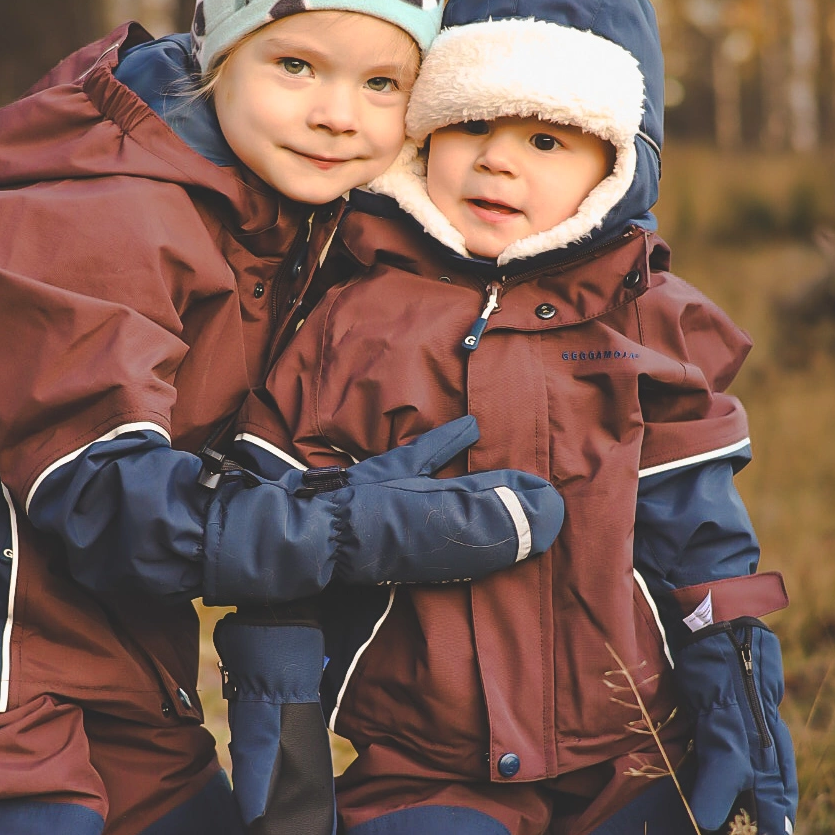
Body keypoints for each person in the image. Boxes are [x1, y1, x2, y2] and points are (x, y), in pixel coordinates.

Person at [0, 1, 565, 833]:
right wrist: (340, 527)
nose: (336, 115)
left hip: (116, 659)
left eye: (382, 83)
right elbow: (96, 493)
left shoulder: (291, 217)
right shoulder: (109, 208)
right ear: (219, 56)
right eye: (295, 66)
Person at [248, 0, 800, 833]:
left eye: (544, 139)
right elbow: (278, 527)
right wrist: (277, 689)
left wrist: (736, 687)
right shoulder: (350, 322)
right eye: (469, 123)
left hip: (633, 743)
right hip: (418, 756)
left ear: (614, 162)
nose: (496, 162)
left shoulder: (647, 321)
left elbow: (701, 536)